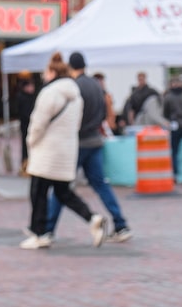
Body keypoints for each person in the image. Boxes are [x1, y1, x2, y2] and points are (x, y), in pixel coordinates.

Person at [21, 53, 105, 250]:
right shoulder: (76, 95)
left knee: (38, 192)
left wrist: (31, 142)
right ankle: (91, 217)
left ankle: (39, 233)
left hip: (46, 151)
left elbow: (38, 124)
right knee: (63, 192)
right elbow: (76, 124)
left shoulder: (49, 93)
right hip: (66, 151)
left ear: (52, 72)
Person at [46, 53, 132, 243]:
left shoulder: (74, 87)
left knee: (61, 185)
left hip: (78, 142)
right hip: (95, 140)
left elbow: (71, 116)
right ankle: (120, 224)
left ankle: (48, 228)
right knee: (101, 184)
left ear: (70, 67)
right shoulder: (96, 84)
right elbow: (105, 111)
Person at [13, 73, 37, 173]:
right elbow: (25, 112)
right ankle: (25, 164)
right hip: (26, 125)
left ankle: (27, 164)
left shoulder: (30, 97)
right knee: (26, 145)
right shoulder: (23, 98)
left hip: (28, 124)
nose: (32, 88)